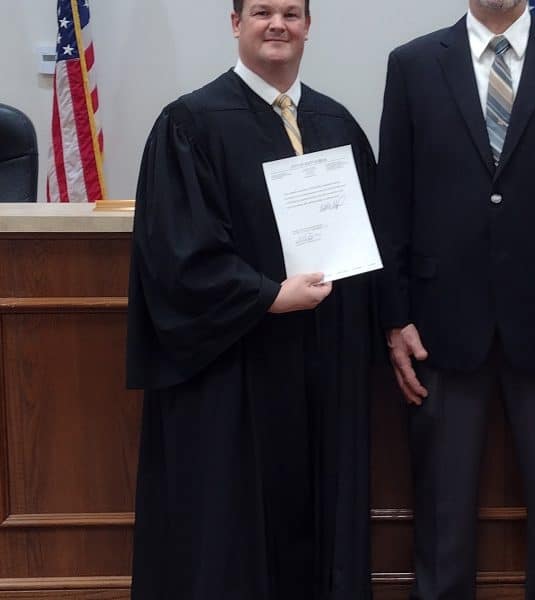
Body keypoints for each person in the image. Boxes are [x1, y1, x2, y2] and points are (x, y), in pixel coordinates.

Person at [376, 0, 535, 598]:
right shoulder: (412, 65)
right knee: (442, 511)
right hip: (439, 324)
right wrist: (394, 316)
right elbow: (393, 201)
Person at [125, 1, 375, 598]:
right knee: (233, 533)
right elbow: (175, 257)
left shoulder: (336, 124)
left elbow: (374, 238)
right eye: (262, 11)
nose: (277, 24)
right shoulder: (189, 124)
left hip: (324, 366)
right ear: (235, 23)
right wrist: (267, 296)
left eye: (292, 12)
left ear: (309, 26)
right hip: (234, 372)